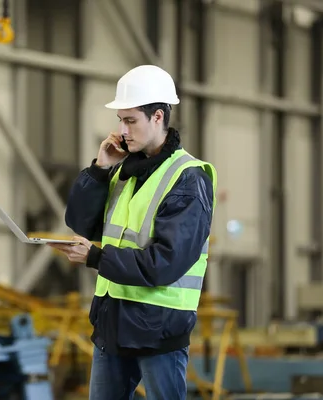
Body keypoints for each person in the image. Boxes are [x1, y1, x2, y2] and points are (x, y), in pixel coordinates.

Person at [48, 65, 217, 400]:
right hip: (113, 324)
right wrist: (100, 169)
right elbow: (81, 222)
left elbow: (164, 263)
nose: (121, 130)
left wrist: (95, 257)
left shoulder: (187, 178)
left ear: (157, 117)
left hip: (159, 328)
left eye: (130, 121)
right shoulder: (124, 171)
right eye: (120, 120)